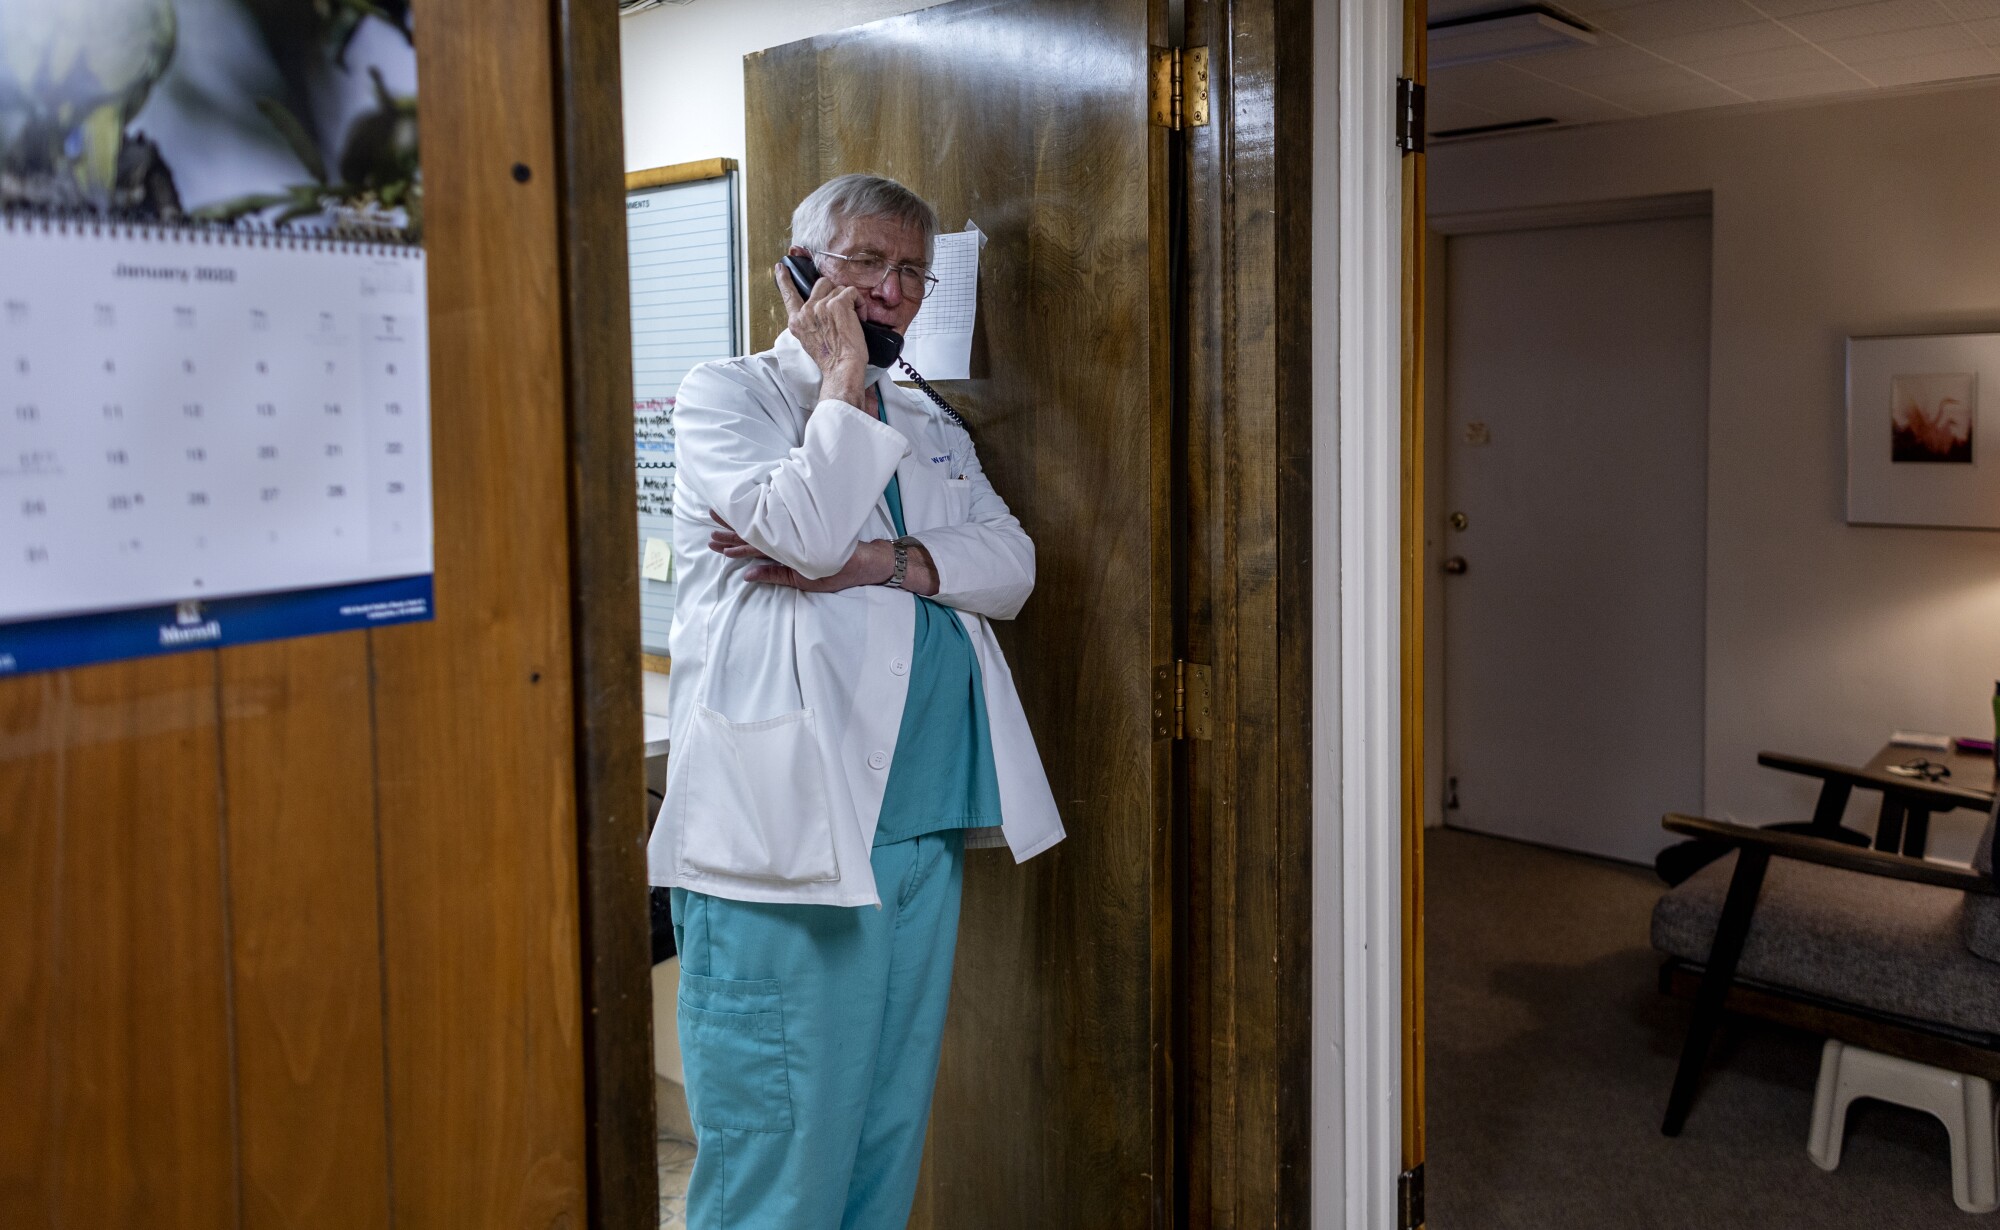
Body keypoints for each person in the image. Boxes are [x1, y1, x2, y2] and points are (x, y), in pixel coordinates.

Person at [648, 173, 1064, 1229]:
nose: (889, 289)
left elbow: (1010, 565)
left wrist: (884, 559)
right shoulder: (725, 394)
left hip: (921, 826)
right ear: (797, 270)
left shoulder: (926, 417)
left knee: (883, 1137)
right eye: (862, 262)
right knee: (779, 1153)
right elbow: (798, 533)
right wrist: (838, 381)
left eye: (910, 272)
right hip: (783, 835)